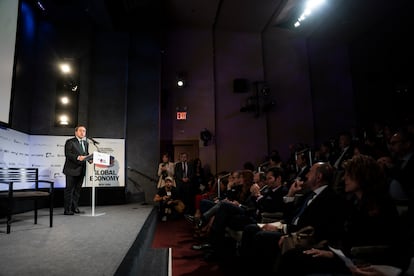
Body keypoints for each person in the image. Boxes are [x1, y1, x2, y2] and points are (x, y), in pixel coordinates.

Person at [63, 125, 92, 215]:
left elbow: (86, 154)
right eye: (80, 131)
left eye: (84, 131)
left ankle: (75, 208)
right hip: (71, 170)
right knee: (69, 190)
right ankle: (67, 210)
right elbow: (68, 154)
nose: (82, 132)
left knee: (77, 191)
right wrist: (78, 157)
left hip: (81, 170)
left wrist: (89, 159)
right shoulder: (70, 142)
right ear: (76, 132)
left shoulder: (86, 143)